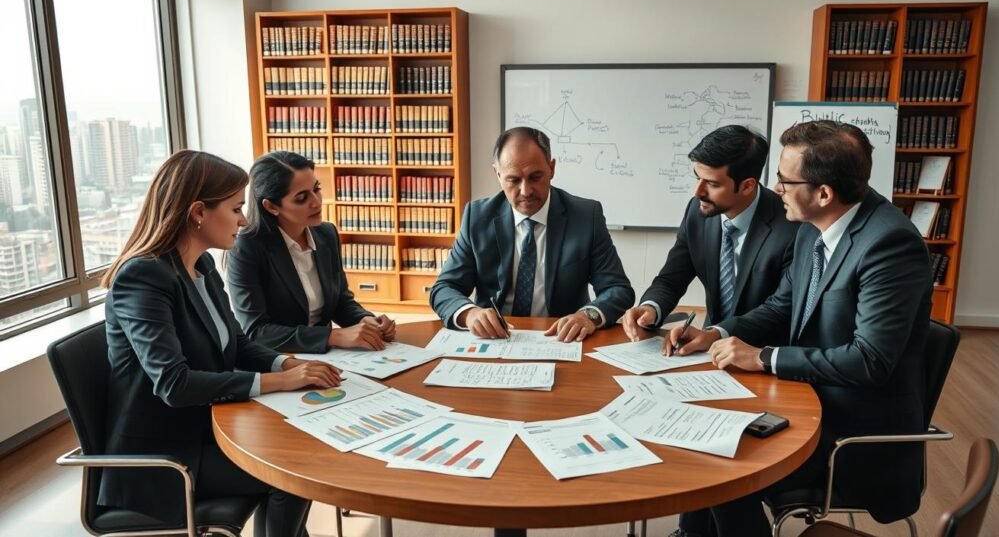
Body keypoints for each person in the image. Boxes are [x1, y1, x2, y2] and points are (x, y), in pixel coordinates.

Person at [667, 120, 934, 537]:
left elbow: (870, 360)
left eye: (784, 180)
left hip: (853, 435)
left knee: (721, 466)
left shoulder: (889, 245)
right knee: (704, 435)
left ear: (823, 193)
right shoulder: (814, 227)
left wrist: (764, 357)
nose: (775, 190)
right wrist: (717, 333)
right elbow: (782, 305)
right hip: (808, 403)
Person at [101, 150, 342, 537]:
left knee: (300, 454)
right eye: (235, 209)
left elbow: (240, 343)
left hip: (209, 427)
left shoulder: (203, 266)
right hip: (167, 455)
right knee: (292, 472)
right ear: (198, 212)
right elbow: (174, 384)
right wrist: (280, 382)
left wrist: (287, 365)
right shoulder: (143, 277)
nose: (245, 220)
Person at [430, 126, 633, 341]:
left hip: (561, 340)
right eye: (513, 180)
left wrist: (588, 316)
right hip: (495, 340)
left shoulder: (585, 216)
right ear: (497, 174)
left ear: (552, 168)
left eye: (535, 177)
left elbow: (618, 289)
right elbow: (444, 288)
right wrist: (470, 315)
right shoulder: (477, 217)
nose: (526, 191)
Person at [620, 125, 798, 344]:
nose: (698, 192)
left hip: (760, 353)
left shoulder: (792, 226)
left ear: (747, 186)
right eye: (697, 178)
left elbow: (779, 308)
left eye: (712, 184)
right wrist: (651, 307)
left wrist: (717, 333)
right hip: (705, 349)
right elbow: (672, 279)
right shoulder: (697, 211)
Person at [228, 151, 395, 353]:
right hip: (278, 359)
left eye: (317, 189)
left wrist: (366, 320)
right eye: (301, 198)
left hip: (330, 356)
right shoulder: (246, 247)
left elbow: (340, 301)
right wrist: (333, 336)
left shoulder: (326, 233)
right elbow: (256, 331)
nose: (316, 202)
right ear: (271, 206)